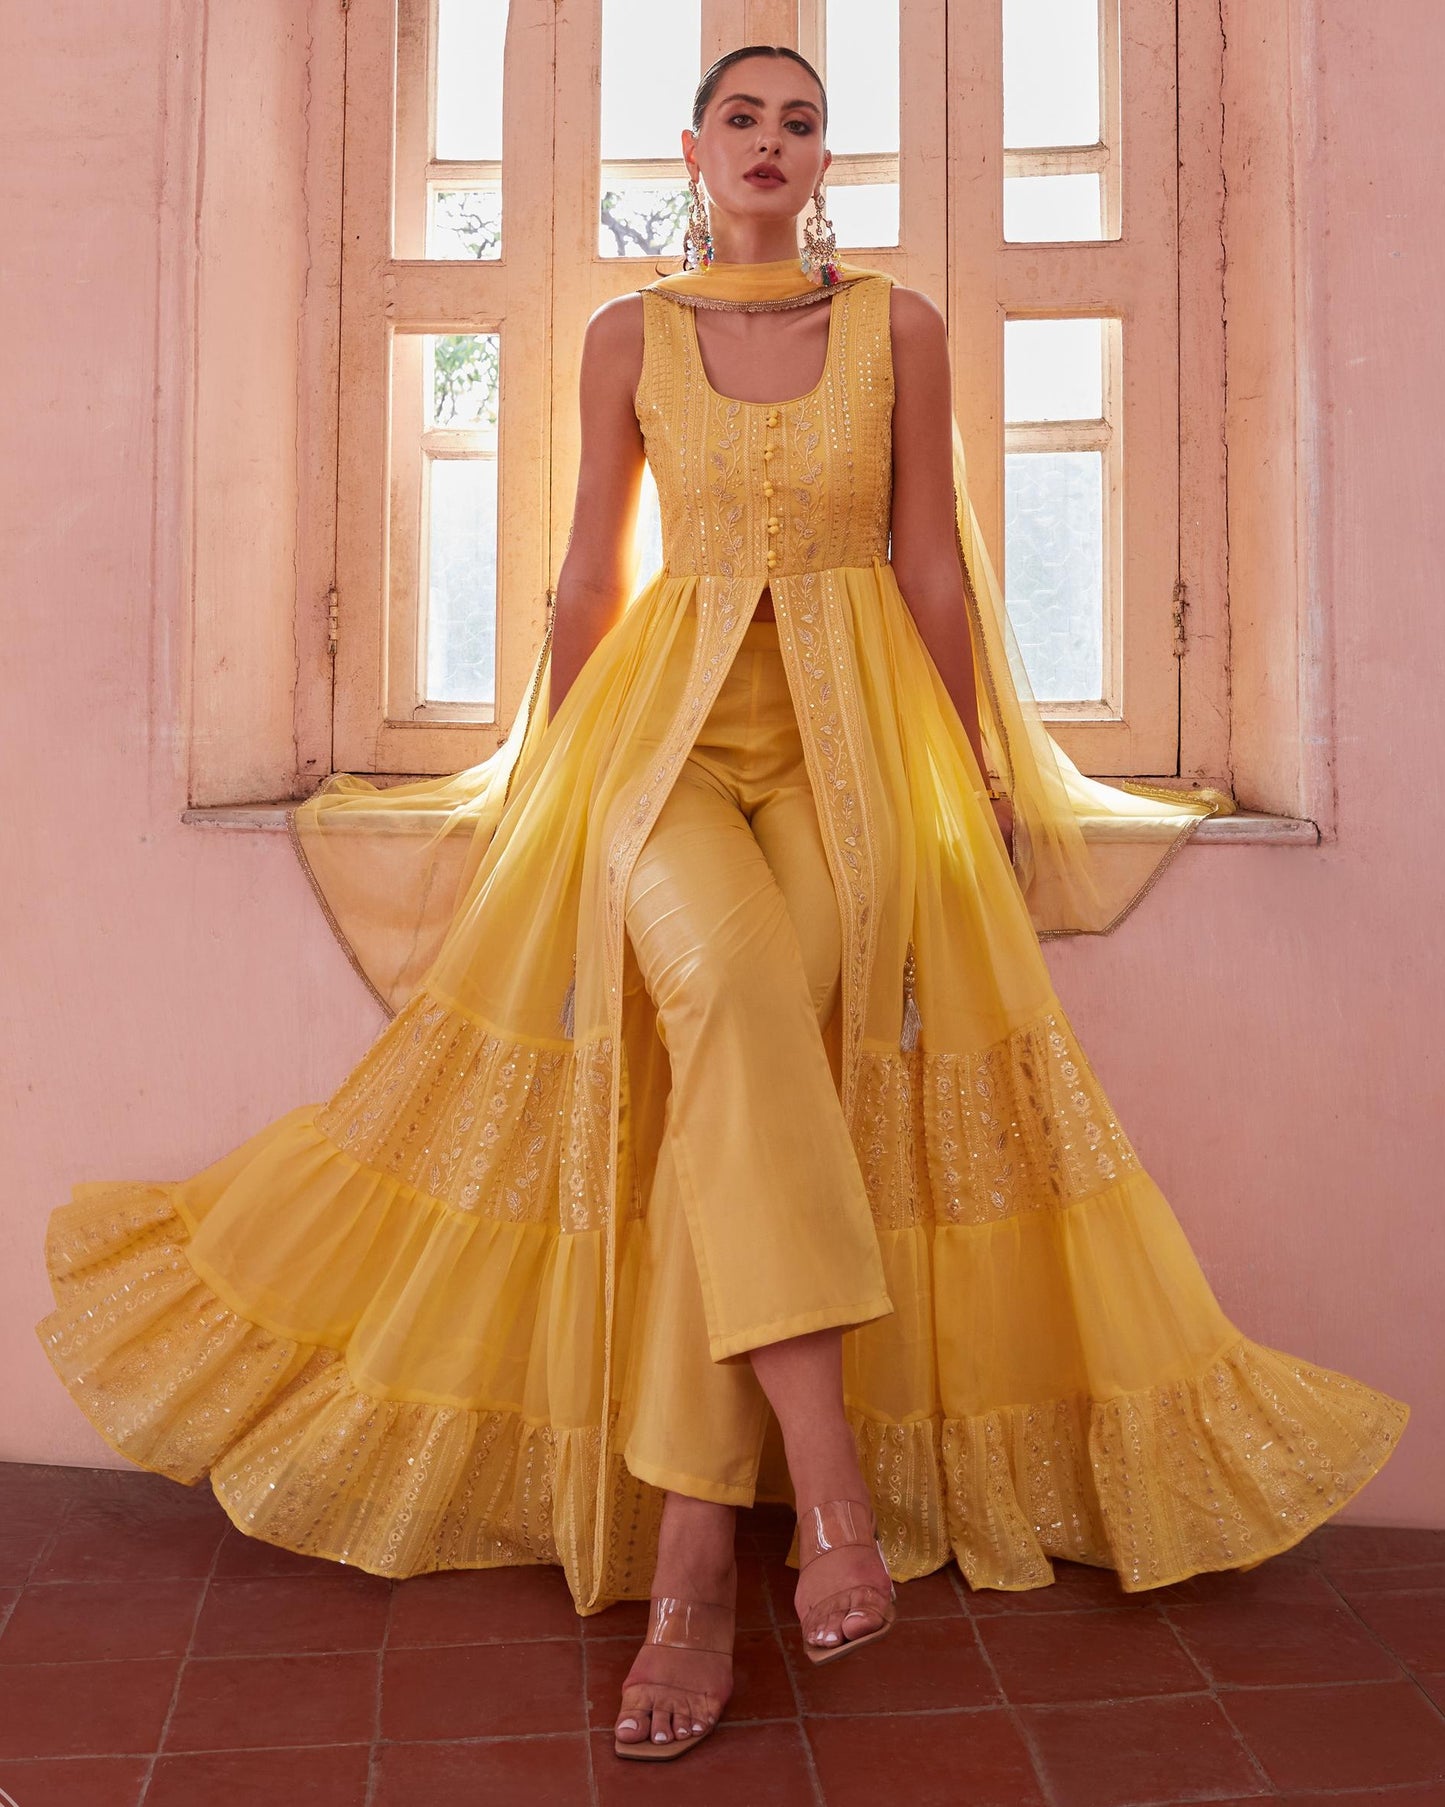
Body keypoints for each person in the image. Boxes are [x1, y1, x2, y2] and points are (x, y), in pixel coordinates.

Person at [36, 44, 1408, 1767]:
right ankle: (810, 1487)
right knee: (746, 1007)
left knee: (726, 1081)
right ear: (692, 151)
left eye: (800, 121)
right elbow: (588, 573)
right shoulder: (630, 337)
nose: (770, 143)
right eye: (740, 118)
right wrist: (544, 778)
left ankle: (696, 1562)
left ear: (826, 159)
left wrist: (971, 780)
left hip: (847, 760)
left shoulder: (897, 327)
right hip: (662, 756)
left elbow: (926, 562)